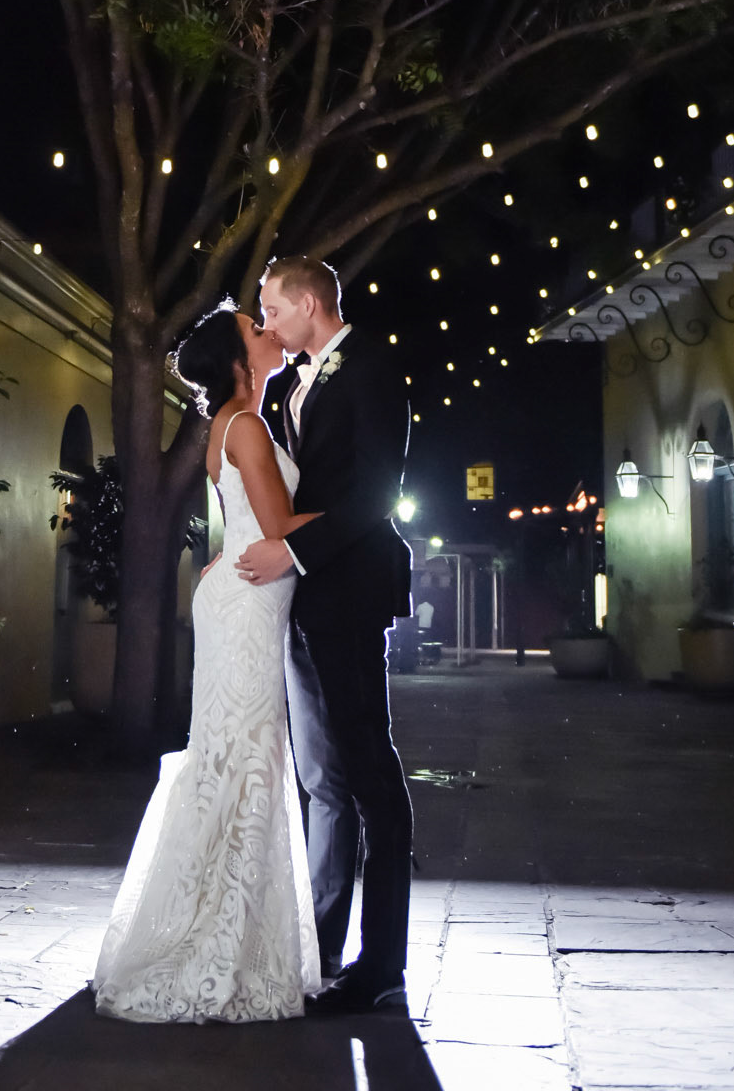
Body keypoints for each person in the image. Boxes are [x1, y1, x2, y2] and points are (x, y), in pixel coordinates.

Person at [93, 303, 322, 1022]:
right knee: (243, 755)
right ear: (236, 358)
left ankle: (227, 931)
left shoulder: (236, 423)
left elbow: (248, 520)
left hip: (241, 591)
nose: (268, 333)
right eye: (257, 329)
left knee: (234, 755)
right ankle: (219, 943)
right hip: (248, 605)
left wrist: (229, 550)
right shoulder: (247, 425)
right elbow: (280, 525)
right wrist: (354, 513)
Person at [238, 254, 414, 1018]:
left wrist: (293, 551)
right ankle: (324, 950)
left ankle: (382, 965)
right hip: (302, 603)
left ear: (309, 303)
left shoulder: (372, 367)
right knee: (323, 781)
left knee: (369, 770)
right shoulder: (287, 388)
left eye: (272, 308)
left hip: (346, 591)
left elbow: (376, 493)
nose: (266, 322)